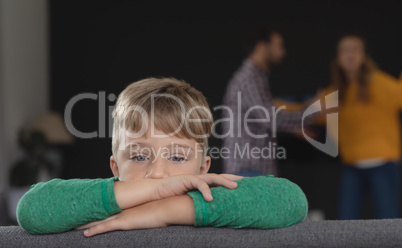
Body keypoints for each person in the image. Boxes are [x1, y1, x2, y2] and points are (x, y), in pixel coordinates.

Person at [16, 78, 308, 236]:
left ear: (203, 167)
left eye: (178, 158)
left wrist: (162, 211)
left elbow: (291, 199)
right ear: (115, 167)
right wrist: (156, 191)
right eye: (140, 156)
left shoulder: (210, 198)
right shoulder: (98, 202)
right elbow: (31, 210)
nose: (158, 173)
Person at [222, 26, 319, 177]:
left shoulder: (256, 78)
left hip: (253, 169)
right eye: (279, 46)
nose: (283, 52)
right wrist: (313, 111)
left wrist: (293, 127)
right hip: (249, 170)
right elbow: (269, 118)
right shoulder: (249, 78)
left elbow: (262, 118)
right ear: (262, 47)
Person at [324, 34, 402, 219]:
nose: (350, 54)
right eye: (344, 50)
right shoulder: (335, 92)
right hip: (352, 166)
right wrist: (271, 106)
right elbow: (309, 112)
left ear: (364, 55)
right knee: (345, 222)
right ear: (337, 58)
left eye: (355, 49)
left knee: (388, 222)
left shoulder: (381, 83)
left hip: (383, 163)